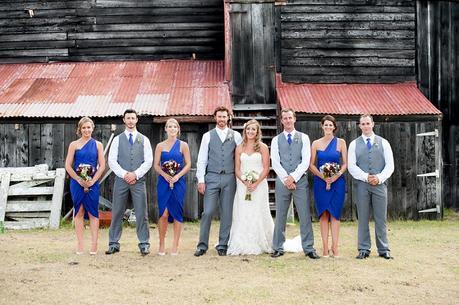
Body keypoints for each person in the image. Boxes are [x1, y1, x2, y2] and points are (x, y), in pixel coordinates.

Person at [270, 108, 319, 259]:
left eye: (290, 118)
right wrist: (286, 178)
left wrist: (294, 177)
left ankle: (309, 248)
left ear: (294, 119)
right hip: (282, 181)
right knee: (281, 215)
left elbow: (305, 160)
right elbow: (275, 162)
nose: (288, 120)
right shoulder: (276, 139)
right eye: (285, 118)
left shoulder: (304, 137)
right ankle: (278, 247)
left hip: (300, 181)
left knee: (304, 214)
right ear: (282, 121)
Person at [194, 106, 242, 257]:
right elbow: (202, 159)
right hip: (212, 177)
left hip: (230, 177)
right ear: (215, 118)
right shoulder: (207, 136)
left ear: (228, 118)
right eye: (219, 116)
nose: (222, 119)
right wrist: (201, 179)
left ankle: (223, 244)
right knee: (207, 212)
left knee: (227, 213)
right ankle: (202, 245)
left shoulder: (236, 136)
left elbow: (240, 157)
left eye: (224, 116)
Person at [106, 109, 153, 256]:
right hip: (121, 180)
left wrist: (136, 174)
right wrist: (125, 174)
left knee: (141, 212)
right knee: (117, 211)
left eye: (133, 118)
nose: (131, 120)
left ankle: (144, 243)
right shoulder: (117, 140)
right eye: (128, 118)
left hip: (138, 181)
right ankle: (113, 243)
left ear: (136, 120)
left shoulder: (144, 139)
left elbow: (149, 160)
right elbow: (112, 161)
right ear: (124, 120)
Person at [348, 114, 394, 260]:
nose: (366, 126)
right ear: (359, 126)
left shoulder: (384, 142)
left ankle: (383, 249)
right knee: (362, 217)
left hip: (380, 185)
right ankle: (363, 248)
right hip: (362, 185)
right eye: (363, 124)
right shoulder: (354, 144)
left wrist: (379, 178)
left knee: (381, 218)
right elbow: (351, 166)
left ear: (373, 124)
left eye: (368, 123)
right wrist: (366, 177)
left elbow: (390, 165)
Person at [227, 120, 274, 255]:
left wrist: (255, 183)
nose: (250, 132)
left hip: (259, 185)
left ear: (257, 132)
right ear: (245, 131)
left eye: (253, 129)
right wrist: (245, 181)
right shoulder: (239, 147)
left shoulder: (263, 147)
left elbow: (266, 168)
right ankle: (242, 242)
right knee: (243, 211)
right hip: (243, 185)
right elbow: (237, 169)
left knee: (259, 211)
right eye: (248, 129)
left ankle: (263, 241)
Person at [65, 117, 105, 255]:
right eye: (84, 128)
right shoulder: (73, 145)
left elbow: (102, 166)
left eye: (89, 127)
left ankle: (94, 245)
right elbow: (68, 165)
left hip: (92, 183)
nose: (86, 130)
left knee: (93, 212)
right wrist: (77, 179)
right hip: (77, 183)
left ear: (92, 128)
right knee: (79, 211)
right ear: (79, 129)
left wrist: (92, 181)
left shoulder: (98, 145)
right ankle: (80, 245)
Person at [309, 115, 347, 257]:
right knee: (323, 214)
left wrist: (336, 176)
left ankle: (335, 247)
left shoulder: (341, 142)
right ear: (322, 126)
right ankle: (325, 248)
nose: (328, 127)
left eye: (331, 125)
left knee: (335, 214)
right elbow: (311, 164)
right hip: (320, 183)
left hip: (337, 183)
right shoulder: (316, 144)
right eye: (326, 125)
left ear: (334, 127)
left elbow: (345, 163)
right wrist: (323, 176)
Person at [153, 118, 191, 255]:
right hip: (163, 182)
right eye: (169, 126)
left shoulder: (183, 145)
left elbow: (188, 164)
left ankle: (175, 245)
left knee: (176, 212)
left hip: (178, 182)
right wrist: (165, 175)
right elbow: (156, 165)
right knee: (163, 213)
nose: (172, 129)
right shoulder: (160, 146)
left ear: (178, 129)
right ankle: (162, 244)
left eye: (175, 126)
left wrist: (177, 176)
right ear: (166, 129)